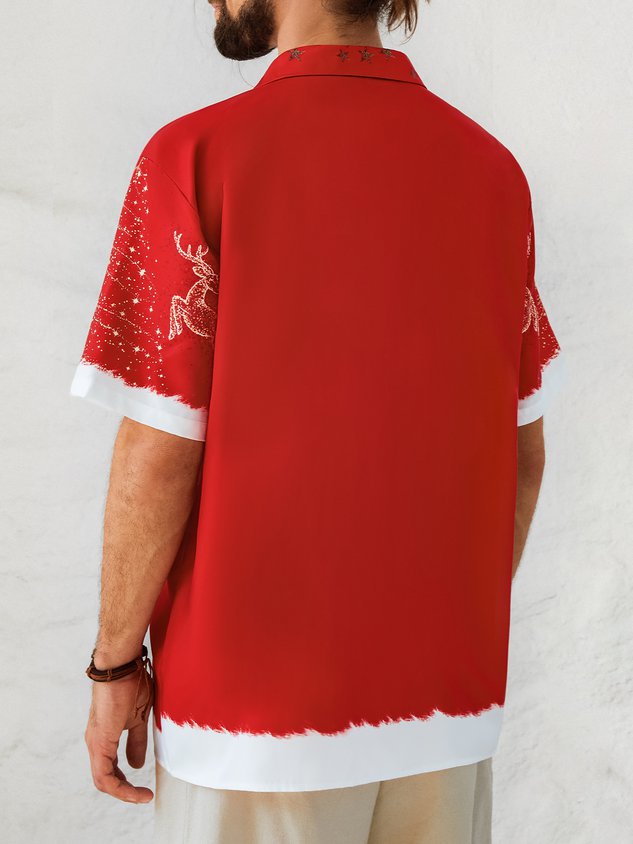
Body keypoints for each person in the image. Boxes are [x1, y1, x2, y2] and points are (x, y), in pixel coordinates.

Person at [70, 0, 567, 841]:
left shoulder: (196, 155)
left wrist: (113, 665)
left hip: (252, 721)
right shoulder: (491, 171)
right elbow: (521, 453)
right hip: (445, 714)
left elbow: (158, 452)